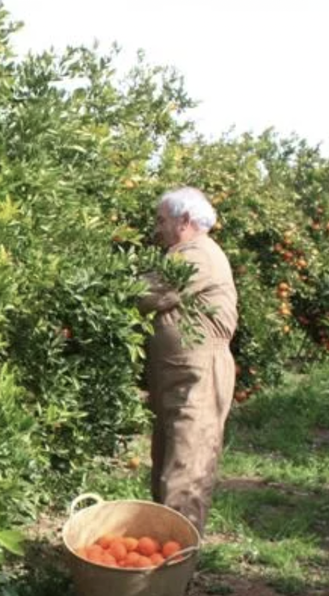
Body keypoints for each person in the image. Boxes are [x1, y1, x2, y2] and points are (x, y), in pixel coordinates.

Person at [138, 187, 238, 534]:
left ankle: (175, 565)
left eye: (162, 219)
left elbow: (152, 293)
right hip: (178, 378)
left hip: (199, 377)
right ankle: (160, 558)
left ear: (184, 220)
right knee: (168, 465)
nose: (157, 227)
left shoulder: (200, 256)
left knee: (187, 470)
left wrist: (103, 291)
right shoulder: (183, 253)